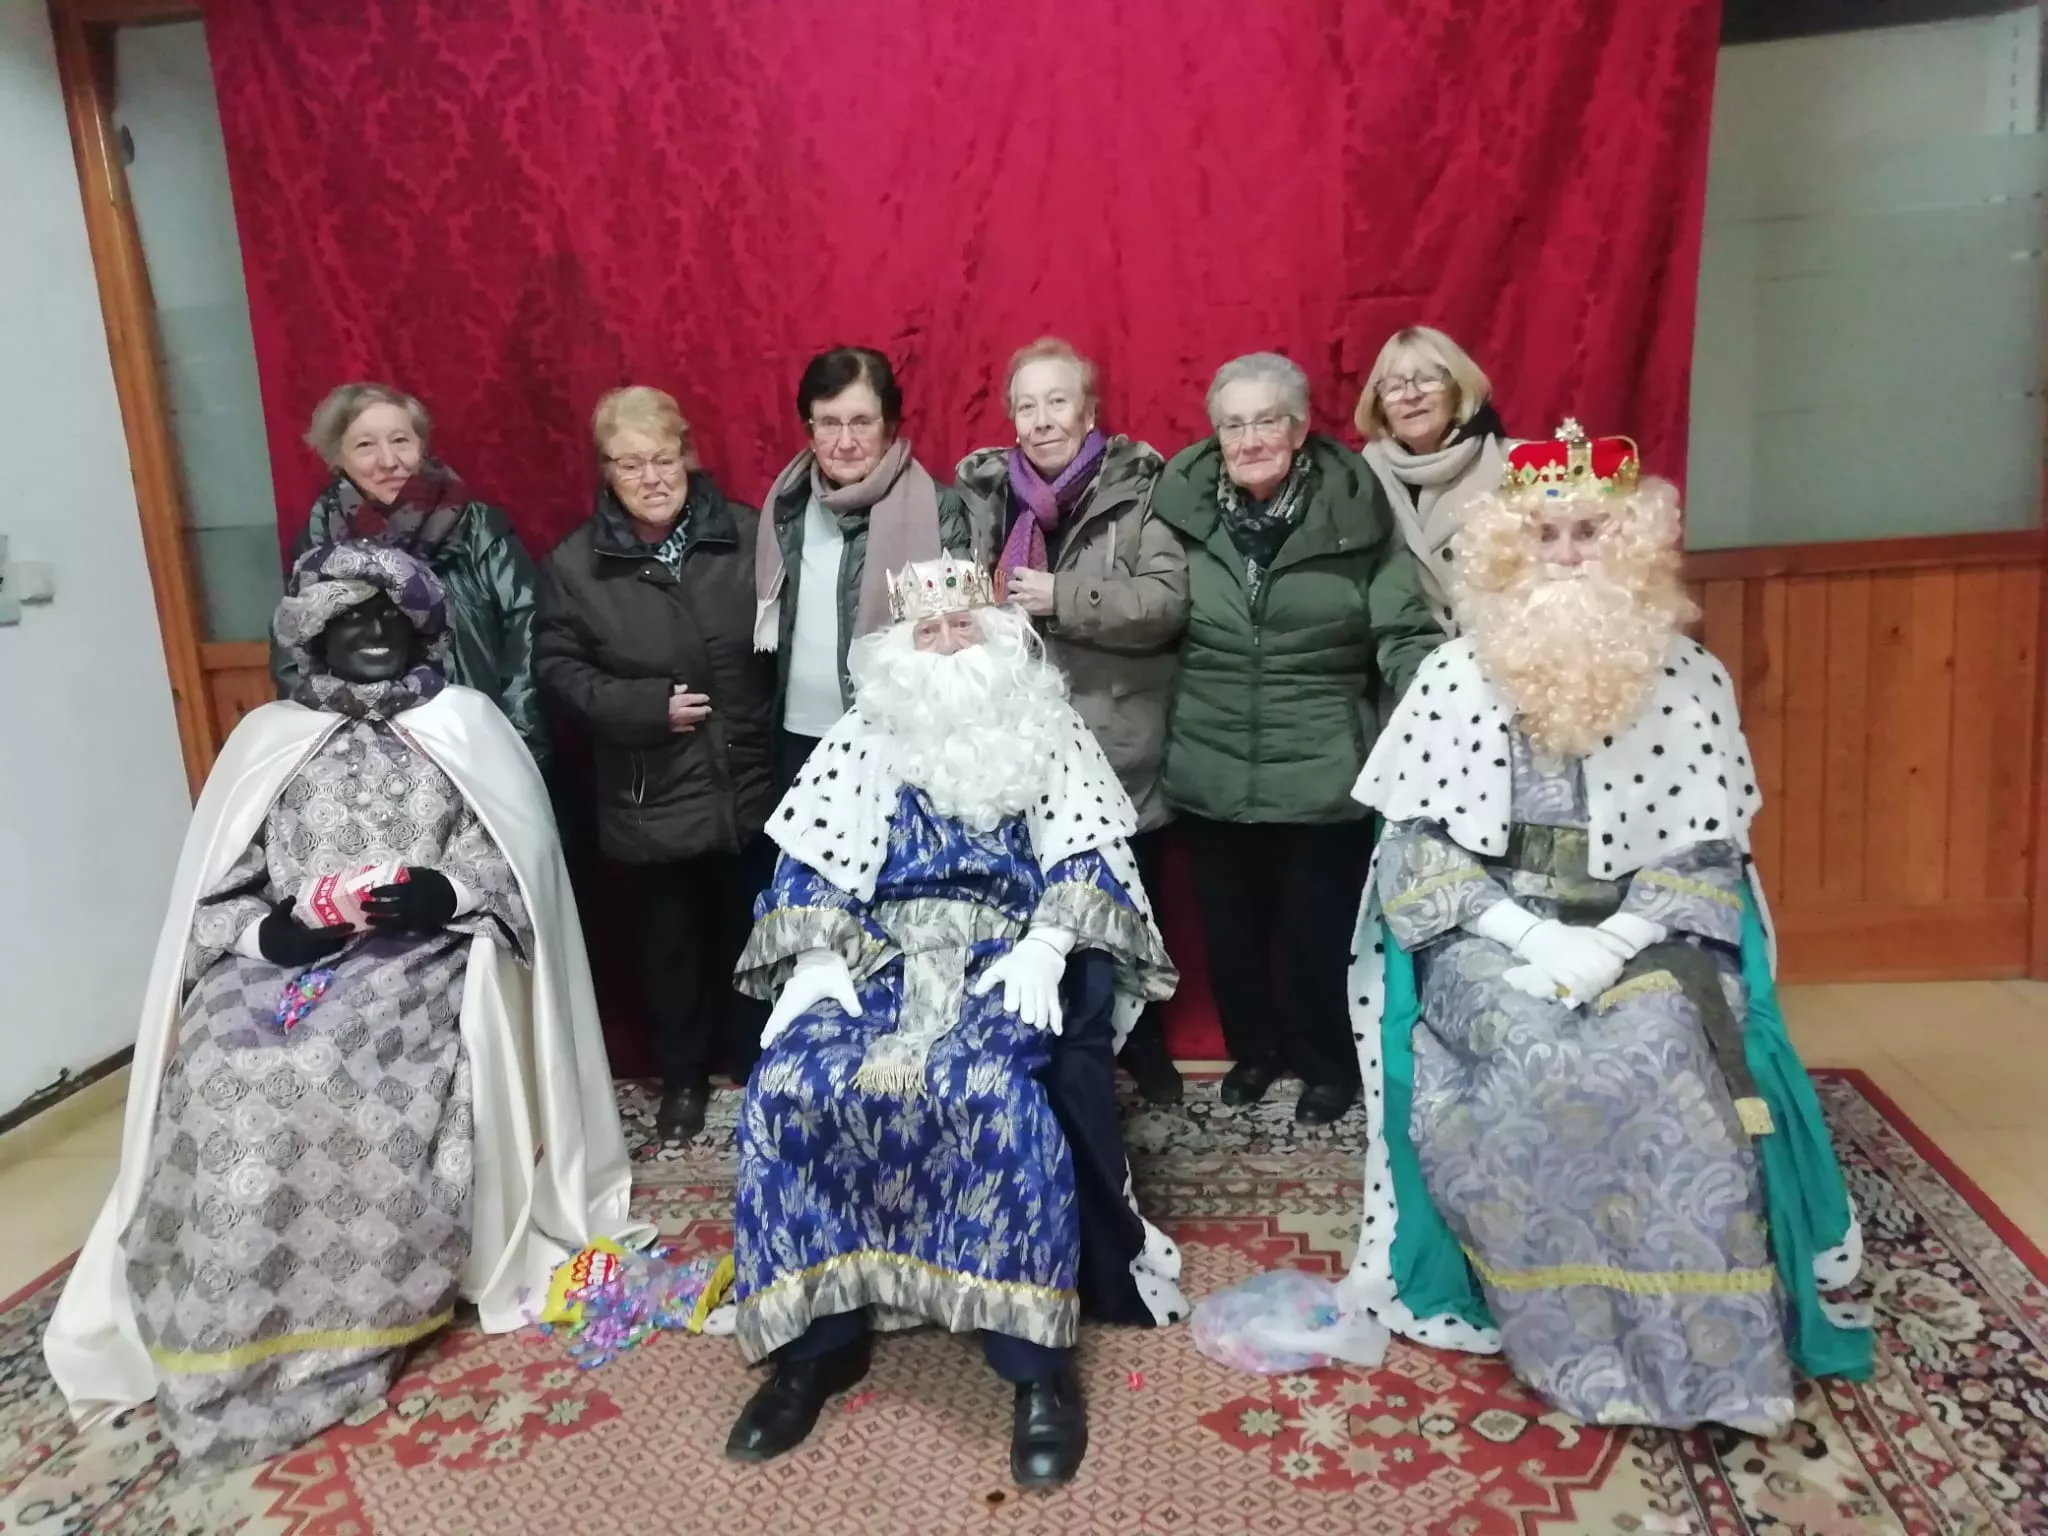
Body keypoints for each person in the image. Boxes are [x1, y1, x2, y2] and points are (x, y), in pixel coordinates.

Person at [45, 543, 646, 1468]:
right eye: (347, 619)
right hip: (283, 961)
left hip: (418, 963)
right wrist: (267, 937)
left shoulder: (467, 725)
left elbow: (517, 865)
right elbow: (223, 887)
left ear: (417, 629)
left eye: (388, 617)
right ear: (314, 638)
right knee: (225, 1068)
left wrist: (448, 894)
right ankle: (212, 1331)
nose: (370, 633)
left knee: (324, 1070)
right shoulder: (268, 742)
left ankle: (342, 1326)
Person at [1343, 422, 1872, 1431]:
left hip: (1649, 938)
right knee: (1535, 1058)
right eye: (1544, 535)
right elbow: (1413, 854)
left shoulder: (1689, 678)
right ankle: (1570, 1346)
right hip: (1488, 938)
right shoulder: (1452, 677)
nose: (1567, 554)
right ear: (1506, 546)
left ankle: (1712, 1361)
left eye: (1589, 532)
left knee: (1659, 1049)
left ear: (1626, 543)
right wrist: (1531, 941)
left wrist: (1617, 942)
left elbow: (1706, 852)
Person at [724, 559, 1184, 1488]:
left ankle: (1034, 1365)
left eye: (962, 626)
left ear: (998, 632)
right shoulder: (867, 731)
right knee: (791, 1087)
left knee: (992, 1096)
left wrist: (1051, 946)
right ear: (899, 646)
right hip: (876, 958)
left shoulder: (1046, 728)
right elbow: (809, 859)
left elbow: (1091, 853)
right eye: (927, 631)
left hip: (1004, 956)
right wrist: (814, 958)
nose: (947, 644)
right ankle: (818, 1341)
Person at [1152, 353, 1439, 1125]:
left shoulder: (1355, 509)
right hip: (1210, 754)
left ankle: (1325, 1063)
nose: (1249, 439)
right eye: (1233, 423)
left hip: (1321, 759)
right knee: (1231, 932)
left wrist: (1442, 701)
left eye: (1266, 420)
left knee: (1318, 936)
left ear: (1302, 426)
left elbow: (1402, 626)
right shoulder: (1176, 505)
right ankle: (1256, 1051)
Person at [535, 387, 778, 1142]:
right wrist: (643, 707)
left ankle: (758, 1062)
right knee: (668, 946)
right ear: (606, 472)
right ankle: (681, 1079)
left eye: (663, 458)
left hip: (749, 781)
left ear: (689, 456)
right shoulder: (576, 565)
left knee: (754, 932)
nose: (651, 476)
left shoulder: (746, 533)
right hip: (651, 787)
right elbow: (556, 667)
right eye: (630, 463)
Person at [954, 337, 1188, 1106]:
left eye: (1058, 401)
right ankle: (1056, 1043)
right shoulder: (986, 495)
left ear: (1089, 411)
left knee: (1127, 897)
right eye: (1027, 404)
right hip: (1017, 739)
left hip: (1116, 734)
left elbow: (1165, 604)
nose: (1042, 419)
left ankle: (1145, 1043)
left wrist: (1066, 597)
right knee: (1042, 905)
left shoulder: (1142, 488)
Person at [274, 382, 549, 767]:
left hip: (476, 746)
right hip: (364, 763)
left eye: (401, 440)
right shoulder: (320, 542)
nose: (389, 461)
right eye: (365, 445)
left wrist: (516, 746)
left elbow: (528, 632)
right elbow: (295, 656)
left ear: (421, 446)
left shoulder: (477, 527)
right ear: (338, 457)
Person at [752, 347, 976, 780]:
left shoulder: (939, 506)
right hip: (798, 735)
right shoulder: (786, 505)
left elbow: (965, 634)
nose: (845, 441)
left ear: (889, 427)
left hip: (899, 740)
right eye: (830, 423)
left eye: (861, 422)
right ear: (810, 430)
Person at [1355, 326, 1513, 634]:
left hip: (1497, 653)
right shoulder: (1361, 476)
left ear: (1457, 389)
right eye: (1394, 387)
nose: (1412, 396)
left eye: (1428, 379)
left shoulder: (1515, 463)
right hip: (1403, 658)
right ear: (1380, 405)